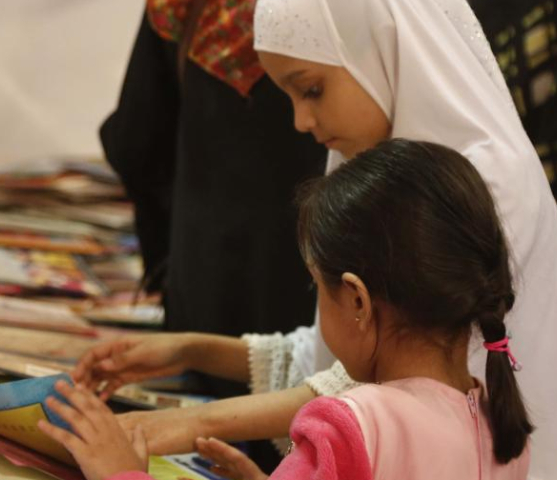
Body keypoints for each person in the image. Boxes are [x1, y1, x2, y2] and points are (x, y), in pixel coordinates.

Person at [73, 0, 557, 477]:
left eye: (312, 90)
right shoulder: (385, 166)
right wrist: (190, 349)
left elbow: (386, 376)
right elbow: (342, 350)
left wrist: (173, 431)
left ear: (376, 50)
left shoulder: (482, 185)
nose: (301, 122)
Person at [40, 139, 532, 480]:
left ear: (358, 300)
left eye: (316, 284)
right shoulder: (501, 424)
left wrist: (121, 472)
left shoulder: (350, 424)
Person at [100, 0, 325, 399]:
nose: (302, 118)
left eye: (312, 92)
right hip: (321, 289)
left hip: (207, 283)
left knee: (206, 441)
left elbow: (136, 143)